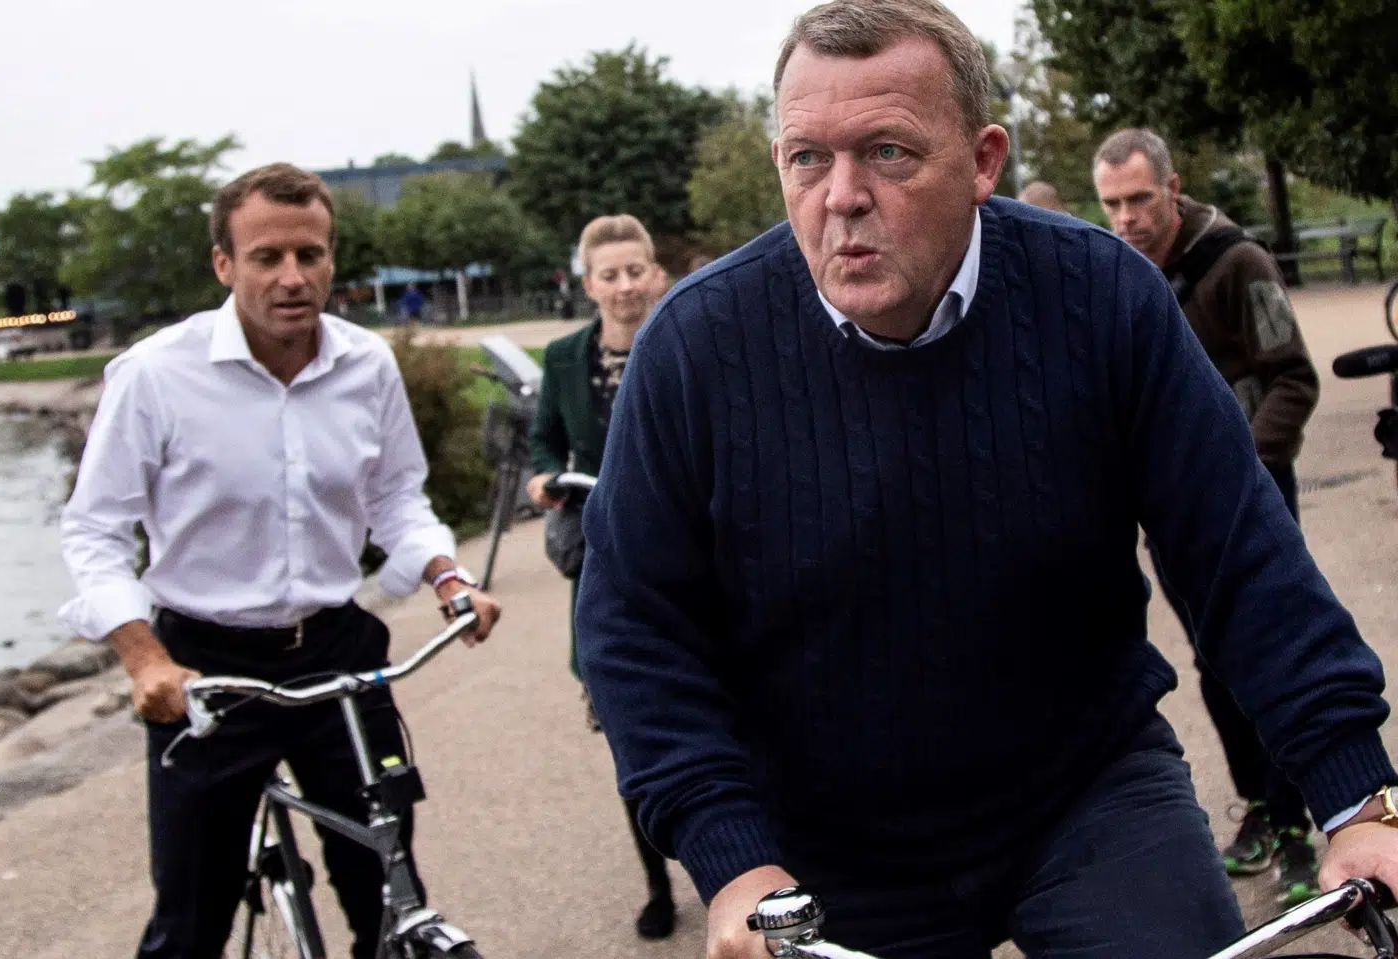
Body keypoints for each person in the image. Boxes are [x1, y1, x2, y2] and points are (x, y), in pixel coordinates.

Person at [574, 3, 1398, 959]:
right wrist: (733, 860)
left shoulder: (1102, 297)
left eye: (887, 152)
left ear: (983, 160)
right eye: (807, 158)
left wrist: (1357, 793)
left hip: (1088, 790)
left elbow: (1240, 553)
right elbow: (635, 626)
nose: (841, 197)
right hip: (826, 838)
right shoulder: (694, 349)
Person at [58, 162, 502, 959]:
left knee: (389, 887)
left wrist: (447, 574)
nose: (292, 277)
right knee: (192, 920)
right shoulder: (156, 375)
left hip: (336, 648)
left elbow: (396, 496)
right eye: (267, 257)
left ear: (332, 258)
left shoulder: (367, 364)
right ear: (224, 264)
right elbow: (95, 530)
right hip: (206, 665)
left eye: (310, 254)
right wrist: (144, 657)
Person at [1093, 128, 1323, 904]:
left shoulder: (1237, 262)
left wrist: (1234, 468)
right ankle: (1261, 804)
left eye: (1138, 199)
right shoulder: (1117, 273)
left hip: (1249, 493)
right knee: (1213, 662)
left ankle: (1296, 824)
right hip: (1169, 508)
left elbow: (1293, 379)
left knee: (1270, 649)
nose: (1126, 217)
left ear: (1172, 187)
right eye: (1111, 204)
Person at [525, 213, 676, 940]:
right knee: (631, 729)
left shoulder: (682, 335)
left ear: (655, 273)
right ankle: (657, 884)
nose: (624, 287)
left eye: (634, 271)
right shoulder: (563, 360)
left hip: (689, 555)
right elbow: (543, 440)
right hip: (605, 565)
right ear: (588, 284)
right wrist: (542, 478)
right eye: (609, 275)